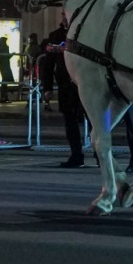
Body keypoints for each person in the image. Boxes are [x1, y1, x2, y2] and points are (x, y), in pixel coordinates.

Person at [39, 21, 85, 167]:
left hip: (84, 83)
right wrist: (47, 87)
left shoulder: (84, 29)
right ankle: (76, 155)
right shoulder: (56, 35)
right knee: (70, 120)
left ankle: (100, 155)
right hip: (65, 84)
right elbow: (48, 64)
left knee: (93, 120)